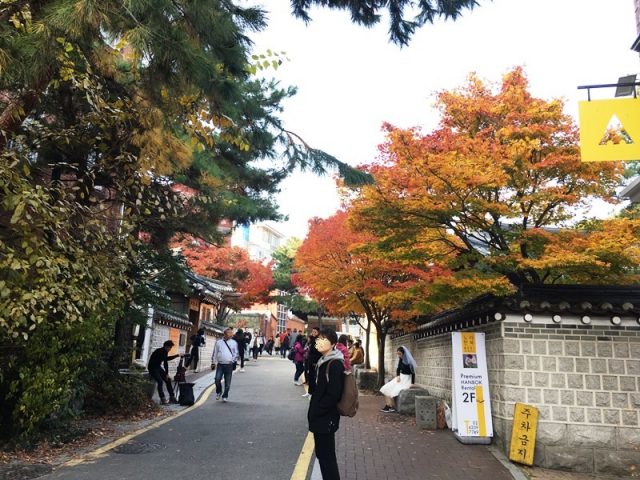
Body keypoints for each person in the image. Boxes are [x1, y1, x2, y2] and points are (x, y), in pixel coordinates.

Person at [307, 328, 344, 480]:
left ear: (333, 343)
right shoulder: (323, 361)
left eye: (324, 339)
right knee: (322, 455)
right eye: (319, 339)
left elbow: (334, 394)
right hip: (320, 417)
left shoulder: (334, 364)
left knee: (327, 457)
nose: (319, 342)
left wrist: (318, 410)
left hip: (325, 418)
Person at [379, 346, 417, 413]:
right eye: (398, 354)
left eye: (400, 354)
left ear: (404, 353)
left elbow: (413, 373)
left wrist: (412, 383)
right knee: (385, 388)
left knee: (394, 391)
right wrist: (398, 376)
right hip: (400, 378)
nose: (398, 355)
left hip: (406, 380)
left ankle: (390, 407)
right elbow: (398, 369)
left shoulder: (409, 362)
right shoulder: (400, 359)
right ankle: (389, 406)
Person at [148, 340, 180, 404]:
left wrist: (166, 374)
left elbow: (165, 361)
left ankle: (172, 397)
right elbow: (166, 360)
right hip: (152, 368)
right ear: (166, 346)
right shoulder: (159, 351)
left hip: (158, 367)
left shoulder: (165, 351)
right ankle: (163, 399)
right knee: (160, 381)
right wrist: (177, 355)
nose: (170, 349)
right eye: (169, 347)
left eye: (171, 347)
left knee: (168, 380)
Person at [211, 327, 239, 402]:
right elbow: (215, 353)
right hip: (220, 364)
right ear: (225, 334)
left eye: (231, 333)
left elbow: (236, 353)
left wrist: (232, 361)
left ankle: (225, 395)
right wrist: (213, 362)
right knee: (217, 379)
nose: (231, 334)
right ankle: (219, 391)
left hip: (229, 365)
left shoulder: (234, 343)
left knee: (228, 383)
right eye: (229, 333)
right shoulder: (218, 342)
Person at [303, 327, 322, 398]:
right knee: (310, 377)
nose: (313, 333)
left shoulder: (318, 341)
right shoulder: (312, 340)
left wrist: (315, 361)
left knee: (313, 378)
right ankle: (309, 392)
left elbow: (318, 353)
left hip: (314, 362)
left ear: (318, 333)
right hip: (310, 361)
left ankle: (313, 393)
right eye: (313, 331)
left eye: (315, 332)